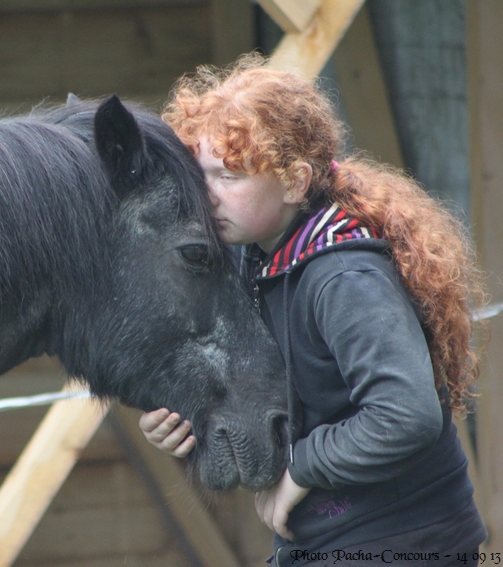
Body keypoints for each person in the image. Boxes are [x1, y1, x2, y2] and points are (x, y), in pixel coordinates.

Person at [140, 54, 488, 566]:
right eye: (201, 176)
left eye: (229, 176)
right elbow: (275, 403)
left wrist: (301, 469)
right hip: (326, 541)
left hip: (407, 542)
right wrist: (188, 424)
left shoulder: (345, 277)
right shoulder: (252, 259)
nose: (206, 197)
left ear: (295, 182)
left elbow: (406, 415)